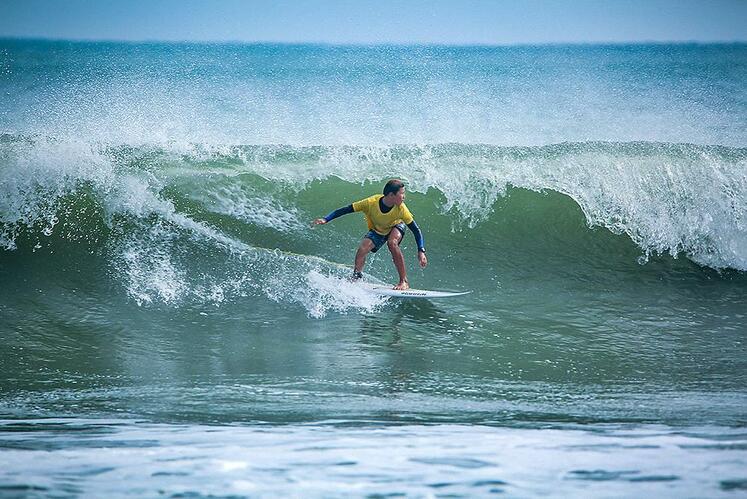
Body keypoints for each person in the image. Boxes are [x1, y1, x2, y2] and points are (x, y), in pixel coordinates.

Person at [313, 179, 427, 290]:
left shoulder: (401, 209)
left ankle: (404, 281)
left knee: (392, 243)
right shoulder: (371, 203)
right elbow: (346, 209)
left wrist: (421, 251)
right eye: (402, 194)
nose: (404, 196)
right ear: (391, 195)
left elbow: (416, 230)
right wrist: (326, 219)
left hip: (396, 226)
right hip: (378, 230)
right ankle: (357, 276)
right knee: (362, 249)